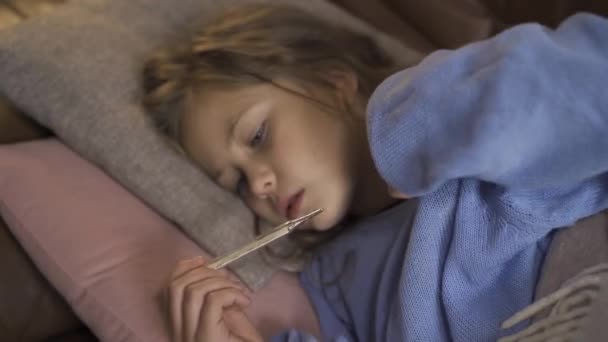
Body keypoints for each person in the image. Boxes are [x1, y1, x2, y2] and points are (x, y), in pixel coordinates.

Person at [141, 3, 608, 341]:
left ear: (333, 82)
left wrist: (411, 131)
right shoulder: (333, 284)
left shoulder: (455, 110)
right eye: (238, 181)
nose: (259, 184)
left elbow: (589, 82)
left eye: (258, 135)